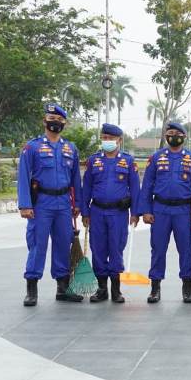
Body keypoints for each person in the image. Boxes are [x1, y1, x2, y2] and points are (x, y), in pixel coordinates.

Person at [17, 104, 83, 306]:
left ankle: (62, 288)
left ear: (64, 123)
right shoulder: (33, 147)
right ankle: (32, 289)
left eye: (59, 119)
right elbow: (23, 177)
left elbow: (75, 180)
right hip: (41, 204)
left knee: (63, 244)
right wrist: (25, 205)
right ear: (44, 121)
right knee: (38, 244)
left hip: (63, 203)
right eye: (51, 118)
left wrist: (77, 203)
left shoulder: (70, 148)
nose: (55, 121)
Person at [138, 122, 191, 303]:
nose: (173, 135)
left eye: (177, 133)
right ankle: (155, 288)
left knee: (185, 250)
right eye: (170, 133)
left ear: (184, 137)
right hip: (160, 209)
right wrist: (145, 210)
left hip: (184, 211)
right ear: (165, 135)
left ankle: (186, 287)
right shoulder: (156, 158)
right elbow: (147, 185)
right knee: (158, 249)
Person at [80, 123, 140, 303]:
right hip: (97, 211)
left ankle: (116, 290)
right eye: (104, 138)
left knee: (116, 248)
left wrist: (135, 213)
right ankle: (102, 289)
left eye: (111, 138)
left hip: (119, 213)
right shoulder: (93, 161)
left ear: (119, 140)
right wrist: (85, 212)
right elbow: (87, 188)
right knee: (98, 249)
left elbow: (136, 189)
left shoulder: (128, 161)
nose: (107, 141)